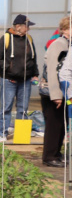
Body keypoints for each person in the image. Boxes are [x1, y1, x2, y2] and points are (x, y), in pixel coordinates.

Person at [0, 14, 39, 143]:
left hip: (25, 81)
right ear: (18, 26)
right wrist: (10, 70)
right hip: (9, 80)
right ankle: (3, 133)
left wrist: (35, 74)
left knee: (23, 108)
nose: (28, 29)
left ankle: (22, 136)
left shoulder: (29, 39)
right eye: (27, 26)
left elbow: (33, 58)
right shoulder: (6, 38)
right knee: (6, 107)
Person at [42, 16, 71, 167]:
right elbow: (53, 71)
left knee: (60, 124)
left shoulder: (67, 44)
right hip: (53, 93)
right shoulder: (58, 45)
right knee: (54, 125)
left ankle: (56, 153)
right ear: (65, 29)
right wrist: (56, 96)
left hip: (63, 92)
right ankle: (49, 156)